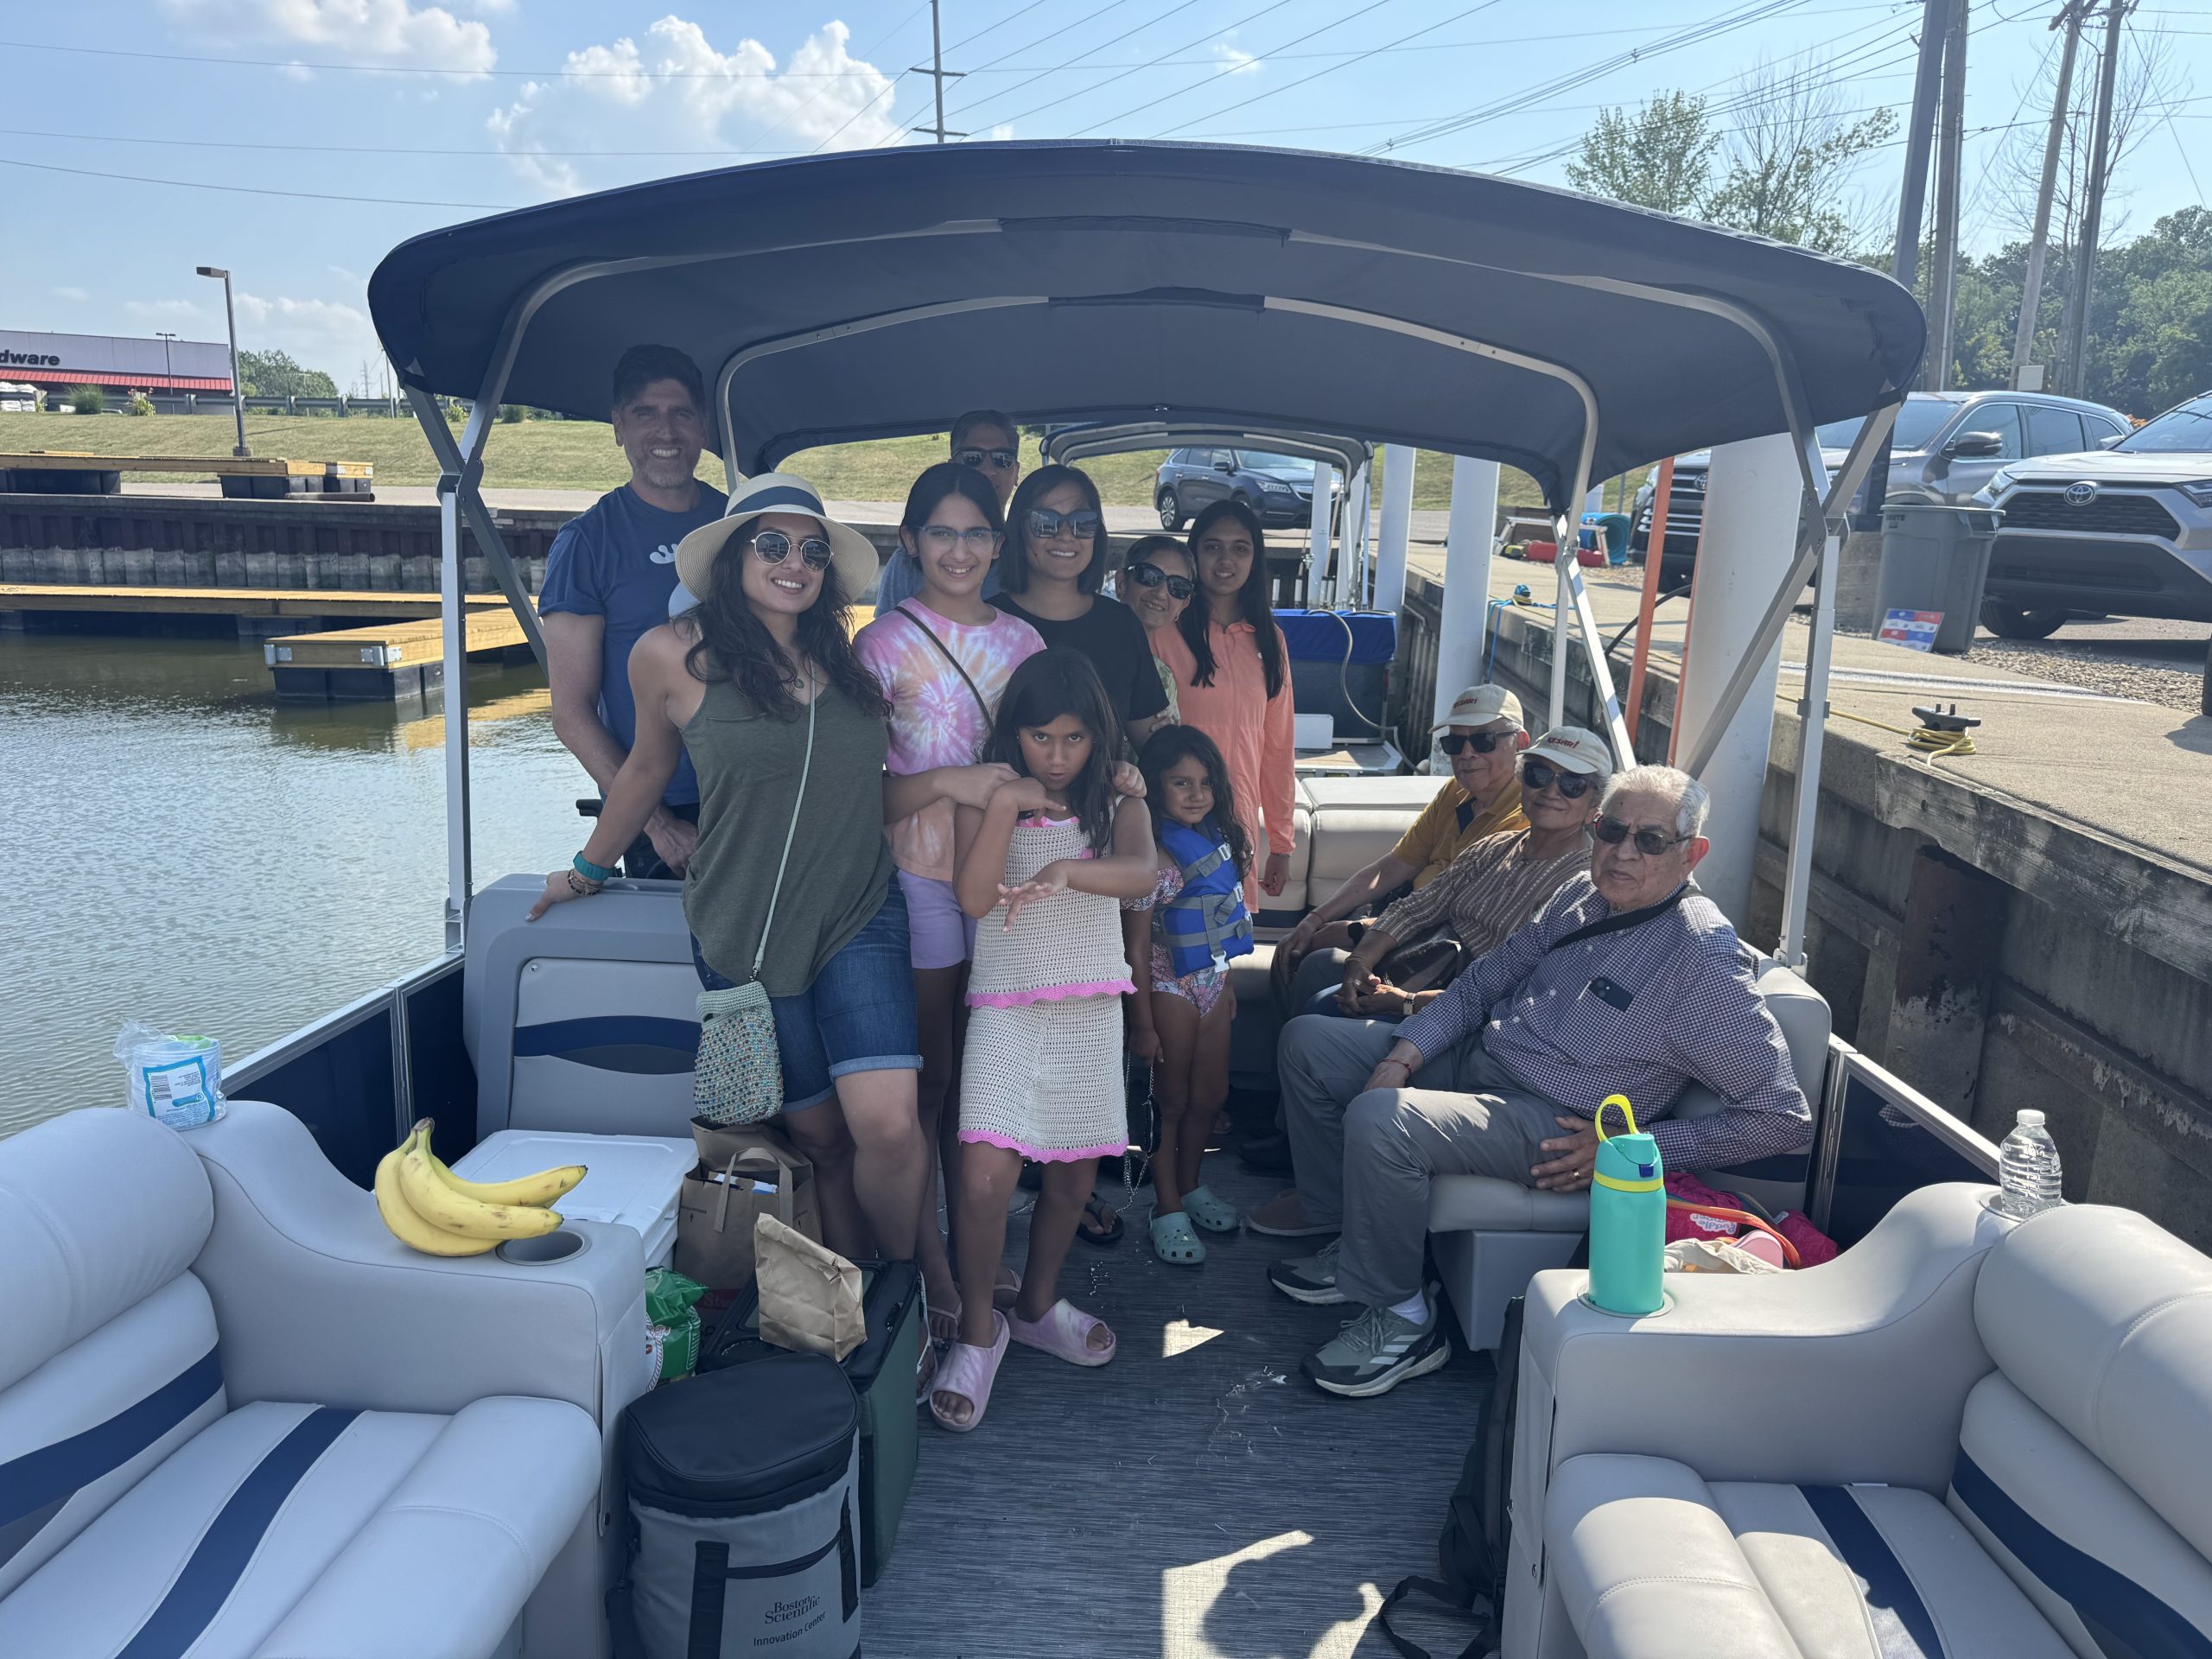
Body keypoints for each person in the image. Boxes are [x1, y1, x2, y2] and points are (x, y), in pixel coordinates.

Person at [1263, 766, 1813, 1399]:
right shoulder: (1582, 895)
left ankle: (1405, 1319)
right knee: (1308, 1044)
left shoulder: (1702, 958)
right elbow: (1483, 983)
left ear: (1692, 854)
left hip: (1552, 1118)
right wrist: (1405, 1055)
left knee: (1381, 1120)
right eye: (1612, 831)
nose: (1623, 852)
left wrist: (1629, 1149)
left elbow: (1782, 1118)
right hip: (1484, 1059)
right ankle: (1355, 1239)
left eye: (1651, 840)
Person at [527, 473, 930, 1283]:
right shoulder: (669, 654)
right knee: (818, 1137)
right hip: (745, 931)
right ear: (733, 555)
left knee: (887, 1126)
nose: (794, 563)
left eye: (812, 551)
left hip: (859, 911)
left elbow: (865, 784)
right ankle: (853, 1294)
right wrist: (586, 869)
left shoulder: (844, 654)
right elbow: (645, 770)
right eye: (772, 544)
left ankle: (907, 1287)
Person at [931, 651, 1159, 1433]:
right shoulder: (988, 792)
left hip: (1090, 1012)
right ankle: (977, 1331)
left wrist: (1066, 869)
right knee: (983, 1179)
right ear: (1014, 733)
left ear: (1098, 735)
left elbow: (1142, 873)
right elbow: (973, 897)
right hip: (1005, 1009)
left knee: (1071, 1179)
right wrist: (1006, 807)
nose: (1057, 756)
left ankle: (1033, 1305)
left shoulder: (1118, 798)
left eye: (1074, 739)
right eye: (1040, 738)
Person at [854, 462, 1043, 1355]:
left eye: (975, 534)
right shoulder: (880, 646)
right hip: (919, 881)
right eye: (941, 532)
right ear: (910, 541)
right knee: (930, 1080)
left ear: (997, 546)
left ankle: (975, 1263)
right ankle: (929, 1266)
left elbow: (1055, 766)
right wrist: (948, 782)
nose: (958, 550)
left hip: (1006, 883)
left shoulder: (1025, 644)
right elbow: (861, 794)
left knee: (988, 1080)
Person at [538, 346, 728, 878]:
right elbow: (571, 713)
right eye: (646, 413)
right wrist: (658, 825)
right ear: (619, 426)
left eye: (681, 413)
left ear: (703, 427)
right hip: (664, 812)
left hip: (754, 792)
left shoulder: (739, 526)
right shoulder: (588, 543)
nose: (666, 432)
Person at [1302, 727, 1613, 1024]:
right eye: (1538, 775)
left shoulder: (1583, 885)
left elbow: (1520, 989)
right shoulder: (1495, 846)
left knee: (1316, 1018)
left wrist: (1407, 1002)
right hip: (1422, 964)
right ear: (1523, 783)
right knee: (1316, 967)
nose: (1551, 791)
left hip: (1462, 1014)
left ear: (1595, 805)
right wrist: (1360, 961)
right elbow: (1416, 909)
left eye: (1573, 785)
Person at [1268, 684, 1531, 1020]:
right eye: (1455, 743)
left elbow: (1459, 916)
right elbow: (1393, 866)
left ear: (1521, 742)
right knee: (1293, 950)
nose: (1467, 753)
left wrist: (1357, 931)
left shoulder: (1526, 819)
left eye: (1484, 741)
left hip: (1443, 950)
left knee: (1318, 971)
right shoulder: (1455, 791)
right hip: (1406, 925)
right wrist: (1314, 919)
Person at [1123, 726, 1253, 1266]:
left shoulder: (1218, 841)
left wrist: (1229, 985)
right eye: (1181, 783)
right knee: (1170, 1103)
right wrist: (1142, 1023)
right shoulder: (1152, 857)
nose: (1197, 794)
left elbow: (1224, 922)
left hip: (1214, 986)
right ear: (1156, 786)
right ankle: (1166, 1204)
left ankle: (1192, 1184)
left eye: (1205, 782)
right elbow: (1134, 948)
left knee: (1210, 1097)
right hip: (1167, 987)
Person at [1151, 500, 1295, 912]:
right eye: (1213, 547)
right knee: (1169, 933)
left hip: (1237, 820)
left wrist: (1281, 843)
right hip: (1173, 821)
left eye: (1240, 549)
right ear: (1194, 554)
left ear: (1255, 558)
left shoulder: (1271, 640)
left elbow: (1279, 746)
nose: (1226, 560)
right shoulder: (1164, 632)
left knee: (1226, 935)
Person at [993, 464, 1172, 747]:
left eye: (1083, 522)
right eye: (1045, 521)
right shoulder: (984, 622)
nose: (1066, 534)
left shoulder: (1121, 625)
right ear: (1019, 529)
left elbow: (1155, 745)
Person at [873, 410, 1021, 612]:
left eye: (1002, 458)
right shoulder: (908, 560)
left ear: (1016, 472)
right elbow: (888, 627)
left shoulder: (1029, 556)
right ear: (952, 467)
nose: (988, 470)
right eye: (972, 457)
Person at [1116, 533, 1195, 724]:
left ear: (1183, 606)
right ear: (1121, 583)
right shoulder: (1085, 649)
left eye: (1178, 586)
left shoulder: (1163, 676)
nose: (1160, 593)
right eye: (1150, 576)